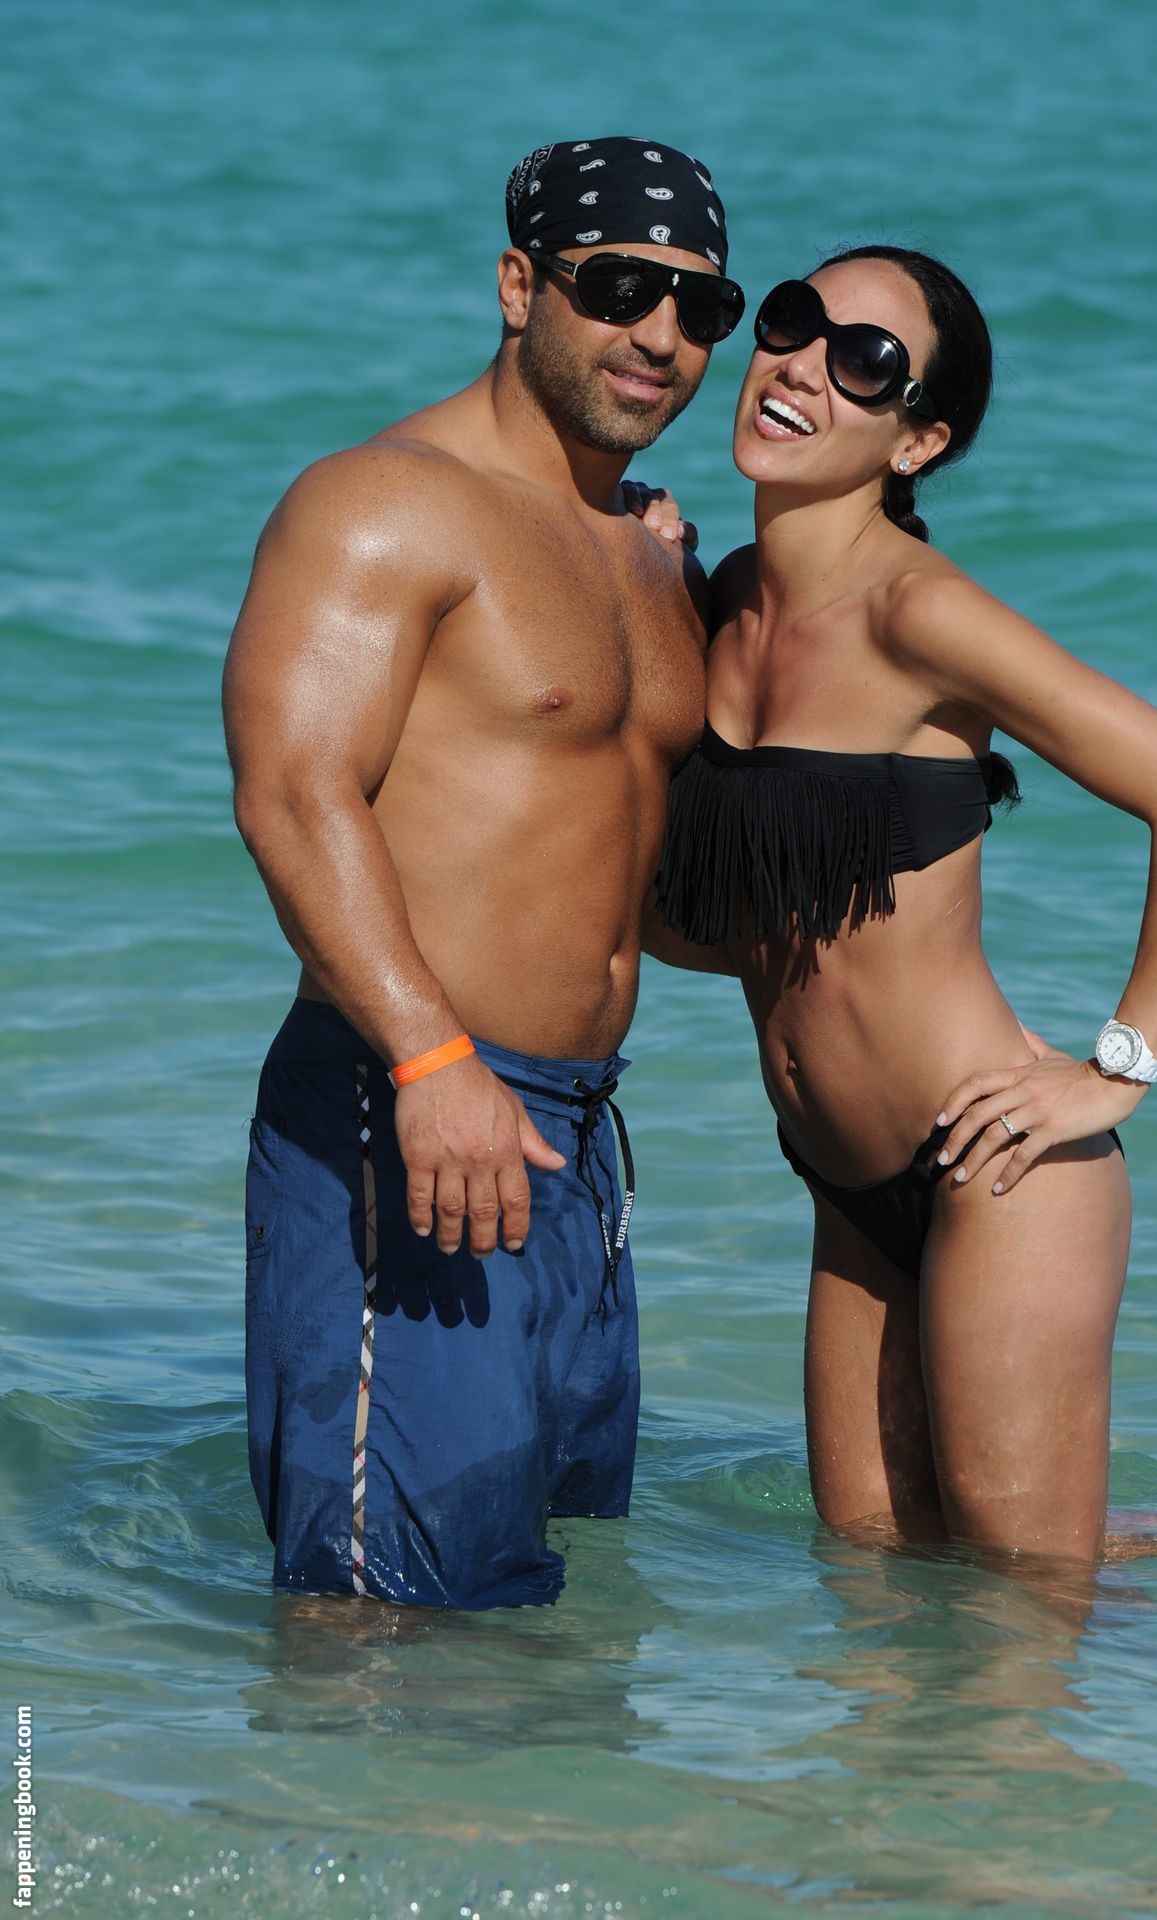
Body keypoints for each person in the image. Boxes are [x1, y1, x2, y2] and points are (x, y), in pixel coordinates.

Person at [644, 245, 1157, 1571]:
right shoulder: (727, 603)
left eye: (867, 363)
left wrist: (1118, 1070)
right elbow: (752, 932)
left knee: (1023, 1605)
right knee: (871, 1576)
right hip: (842, 1186)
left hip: (1001, 1175)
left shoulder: (920, 616)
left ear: (917, 440)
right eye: (793, 323)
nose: (804, 366)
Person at [223, 136, 743, 1611]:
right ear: (521, 287)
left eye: (700, 307)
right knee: (392, 1615)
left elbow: (619, 863)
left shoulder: (650, 553)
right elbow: (293, 793)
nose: (661, 334)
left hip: (576, 1146)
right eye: (619, 288)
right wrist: (432, 1056)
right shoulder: (385, 503)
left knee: (551, 1604)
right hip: (411, 1110)